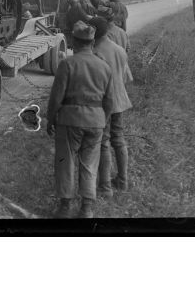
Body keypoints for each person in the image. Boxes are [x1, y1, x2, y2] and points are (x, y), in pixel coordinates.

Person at [46, 21, 115, 219]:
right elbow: (109, 100)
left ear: (74, 42)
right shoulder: (104, 66)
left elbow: (56, 98)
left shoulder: (68, 64)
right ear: (92, 42)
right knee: (90, 164)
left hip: (70, 120)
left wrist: (50, 120)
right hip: (96, 123)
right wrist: (103, 120)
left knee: (65, 162)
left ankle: (65, 207)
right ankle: (87, 208)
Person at [89, 17, 133, 195]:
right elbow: (125, 78)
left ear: (93, 33)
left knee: (104, 142)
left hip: (103, 104)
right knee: (119, 139)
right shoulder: (119, 50)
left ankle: (105, 186)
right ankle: (123, 181)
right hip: (119, 101)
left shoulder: (95, 53)